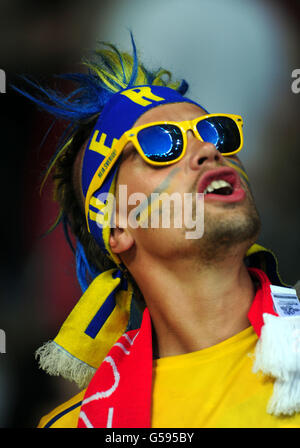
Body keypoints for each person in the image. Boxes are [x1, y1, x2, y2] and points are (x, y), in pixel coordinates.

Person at [17, 37, 300, 428]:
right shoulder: (78, 423)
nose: (208, 151)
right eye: (162, 144)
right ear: (116, 225)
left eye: (215, 133)